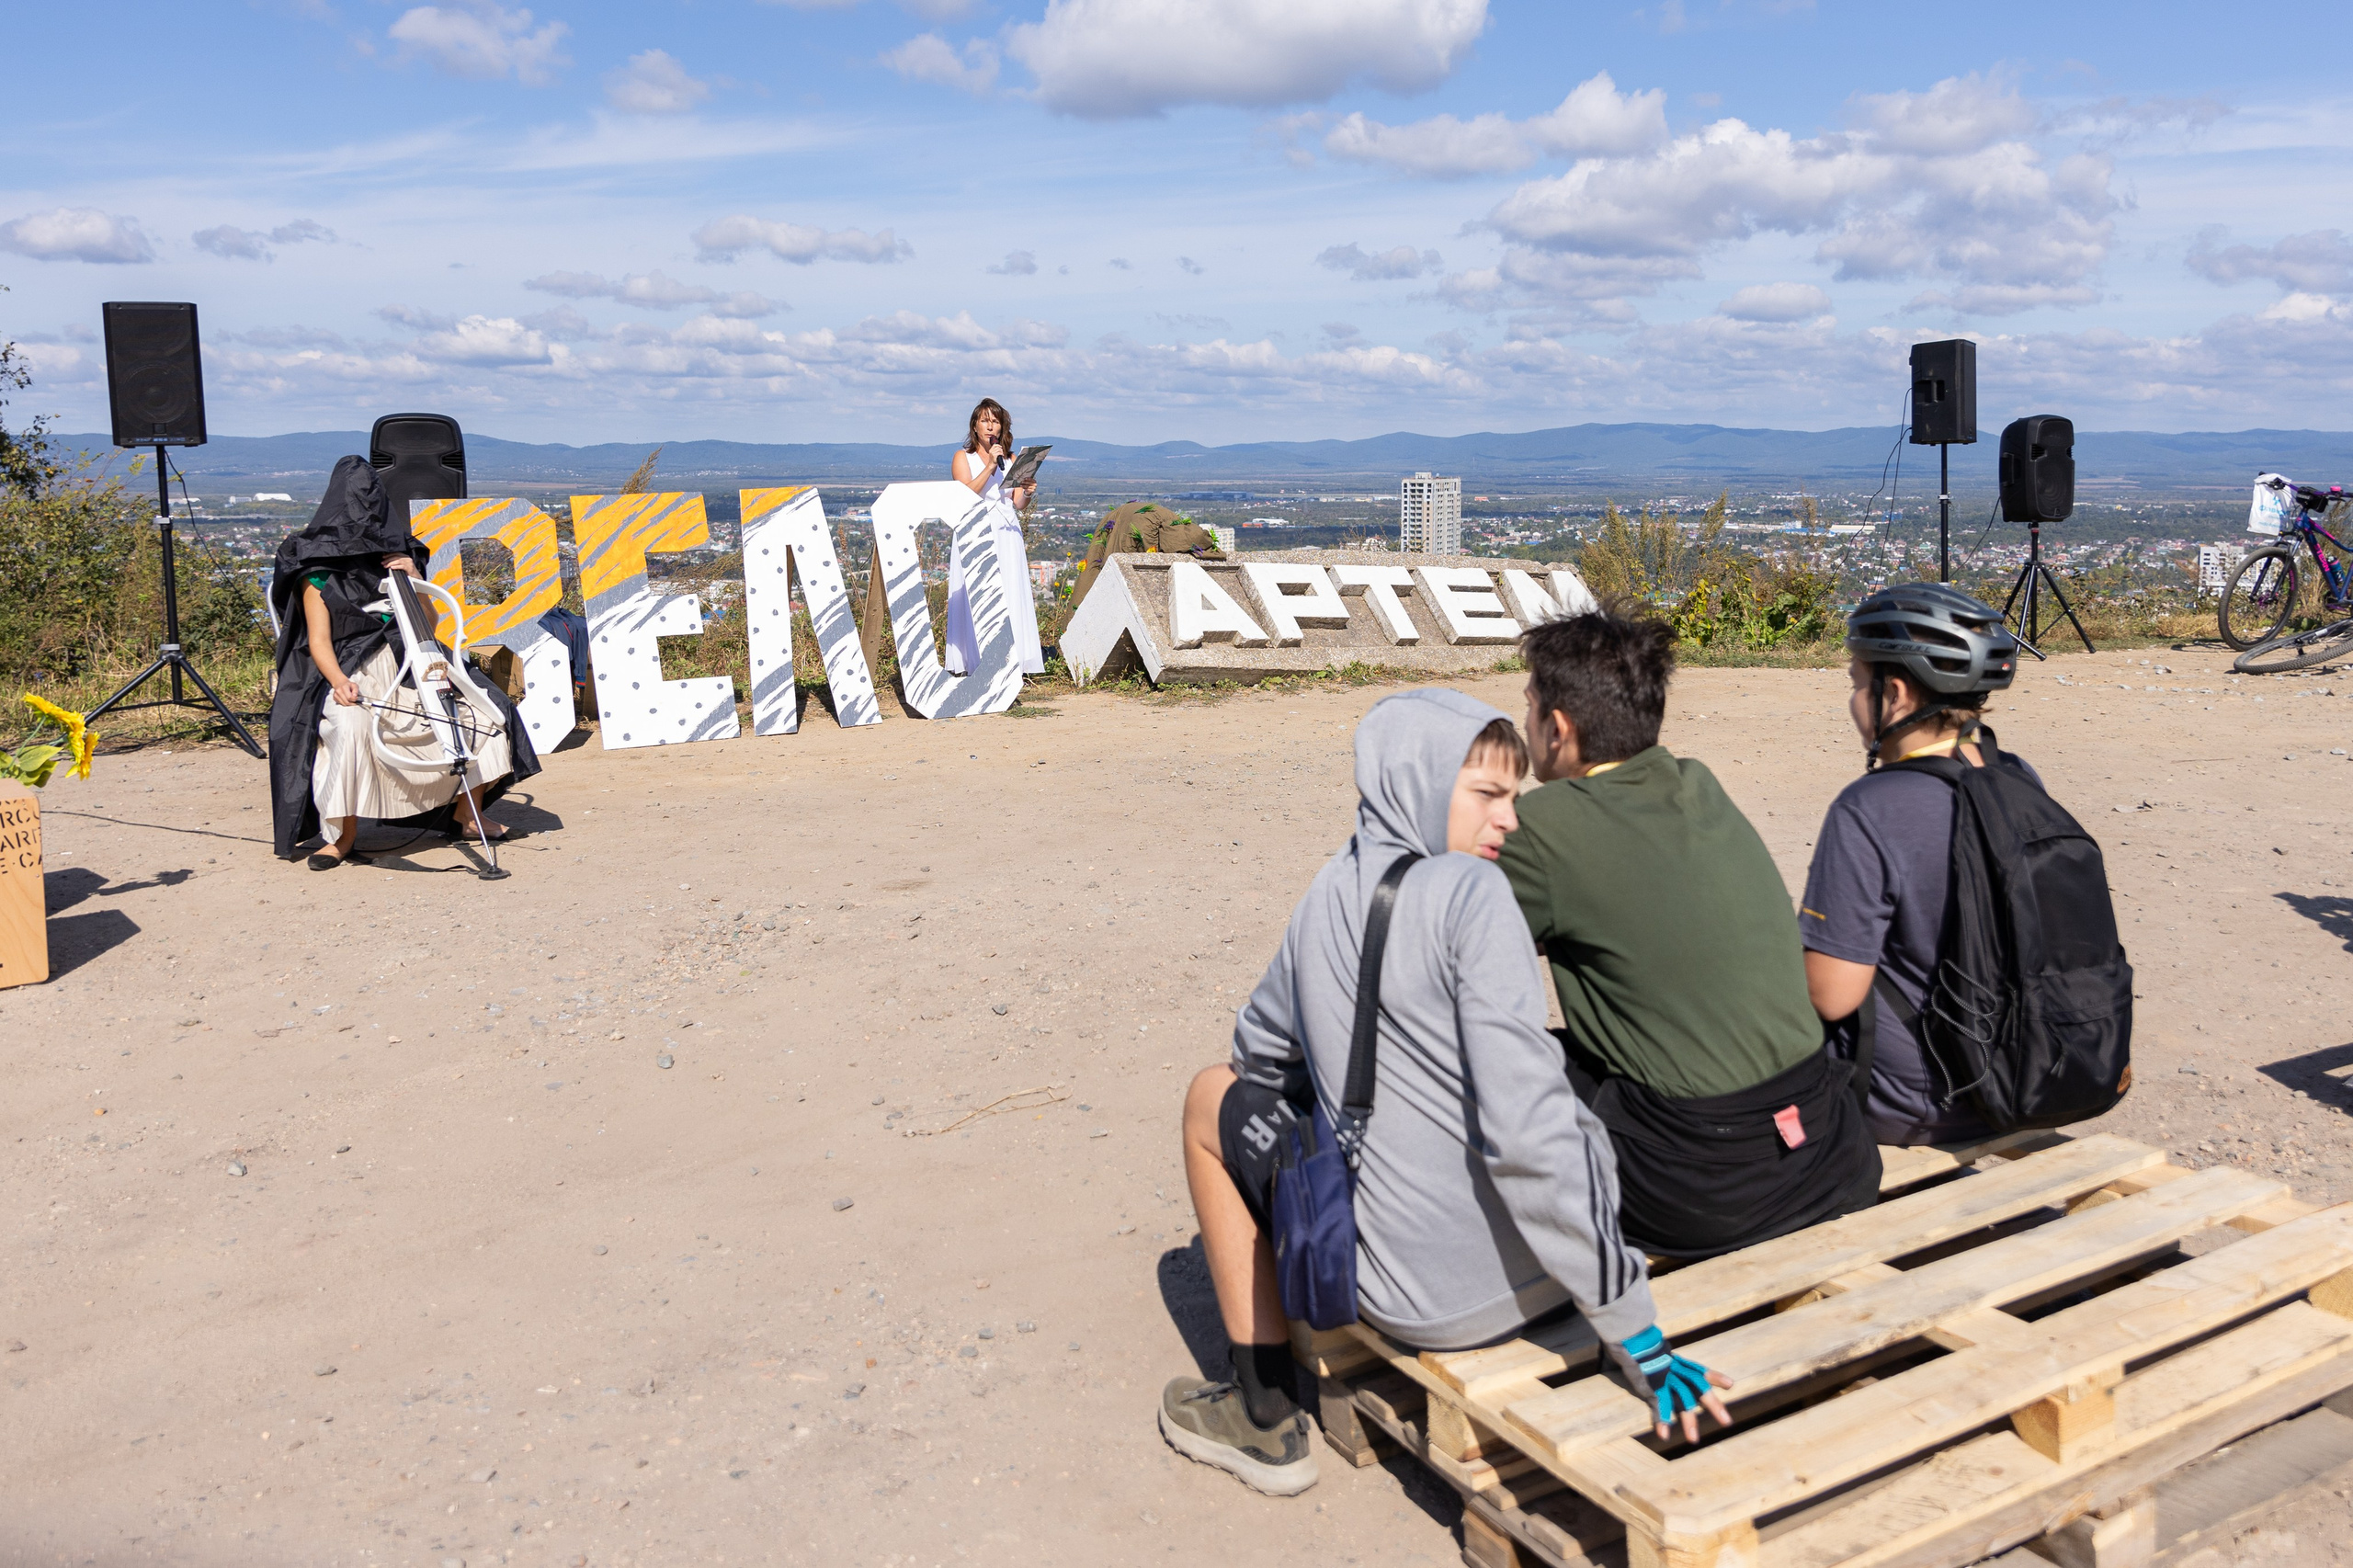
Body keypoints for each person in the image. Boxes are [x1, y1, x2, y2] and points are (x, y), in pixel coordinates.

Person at [1162, 689, 1730, 1497]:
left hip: (1425, 1301)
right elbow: (1529, 1129)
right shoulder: (1474, 896)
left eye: (1513, 797)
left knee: (1204, 1099)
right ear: (1422, 785)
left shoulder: (1324, 896)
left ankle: (1260, 1416)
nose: (1510, 820)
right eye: (1487, 796)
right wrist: (1637, 1336)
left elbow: (1256, 1058)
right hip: (1547, 1280)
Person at [1499, 608, 1880, 1259]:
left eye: (1529, 706)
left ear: (1557, 729)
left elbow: (1436, 945)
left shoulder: (1543, 826)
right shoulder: (1697, 784)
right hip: (1821, 1152)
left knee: (1485, 1065)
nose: (1525, 723)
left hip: (1700, 1189)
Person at [1799, 584, 2023, 1146]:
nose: (1852, 697)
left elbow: (1831, 996)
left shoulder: (1868, 808)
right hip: (2021, 1075)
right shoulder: (2018, 778)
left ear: (1893, 694)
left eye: (1856, 681)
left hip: (1913, 1106)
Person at [267, 456, 540, 869]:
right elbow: (319, 642)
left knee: (482, 714)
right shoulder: (317, 572)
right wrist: (340, 681)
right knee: (352, 726)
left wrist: (415, 579)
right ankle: (342, 836)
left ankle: (468, 815)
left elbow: (428, 625)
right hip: (350, 670)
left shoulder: (399, 559)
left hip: (411, 666)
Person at [943, 397, 1044, 677]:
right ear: (975, 426)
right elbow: (965, 495)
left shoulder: (1010, 459)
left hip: (1006, 530)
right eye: (985, 420)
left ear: (1002, 427)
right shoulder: (963, 458)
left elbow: (1017, 503)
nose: (990, 426)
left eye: (995, 421)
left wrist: (1026, 491)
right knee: (976, 594)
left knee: (1009, 591)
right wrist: (989, 466)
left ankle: (1012, 662)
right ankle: (974, 662)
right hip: (975, 529)